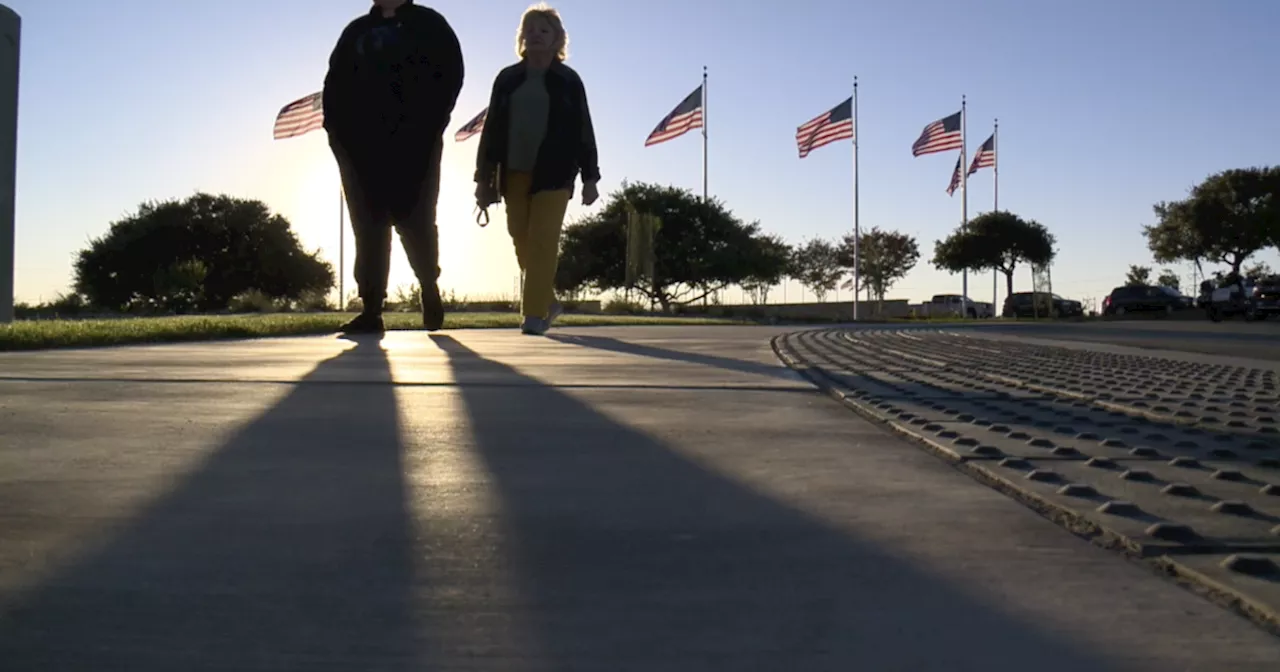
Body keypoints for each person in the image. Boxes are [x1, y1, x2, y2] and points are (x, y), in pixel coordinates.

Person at [322, 0, 464, 334]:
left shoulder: (430, 25)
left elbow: (451, 75)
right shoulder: (356, 32)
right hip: (359, 146)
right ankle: (371, 309)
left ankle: (428, 285)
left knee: (415, 221)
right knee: (368, 226)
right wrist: (336, 133)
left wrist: (431, 123)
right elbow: (334, 83)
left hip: (415, 143)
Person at [473, 3, 600, 336]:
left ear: (558, 39)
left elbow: (583, 129)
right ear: (522, 38)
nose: (536, 35)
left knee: (544, 241)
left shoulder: (569, 81)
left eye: (544, 30)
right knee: (520, 237)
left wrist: (591, 177)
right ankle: (549, 298)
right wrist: (482, 178)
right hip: (513, 171)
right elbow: (491, 130)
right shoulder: (507, 79)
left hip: (555, 174)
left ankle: (533, 315)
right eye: (530, 30)